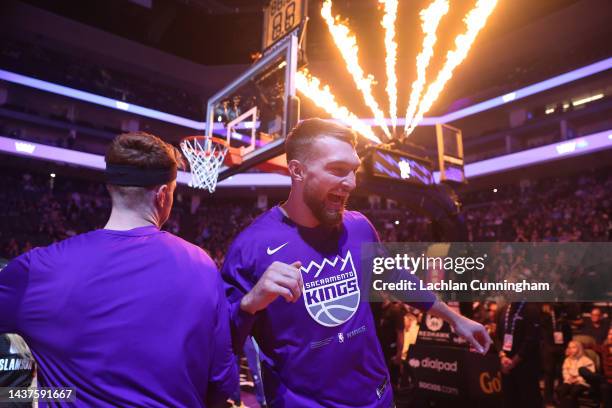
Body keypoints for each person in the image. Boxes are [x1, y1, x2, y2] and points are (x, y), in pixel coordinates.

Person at [221, 118, 492, 407]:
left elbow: (392, 276)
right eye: (338, 170)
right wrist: (250, 304)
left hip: (376, 398)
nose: (350, 183)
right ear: (297, 171)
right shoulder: (249, 247)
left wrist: (455, 318)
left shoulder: (359, 227)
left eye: (353, 171)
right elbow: (222, 343)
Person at [0, 132, 236, 406]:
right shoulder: (202, 266)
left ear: (111, 188)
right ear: (162, 196)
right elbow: (221, 382)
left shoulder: (38, 269)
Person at [496, 301, 543, 408]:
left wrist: (514, 361)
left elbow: (531, 340)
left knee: (529, 400)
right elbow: (498, 337)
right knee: (509, 400)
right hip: (506, 364)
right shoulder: (502, 309)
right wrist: (502, 356)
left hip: (526, 366)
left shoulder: (531, 309)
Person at [557, 340, 595, 408]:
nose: (571, 349)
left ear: (579, 349)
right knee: (561, 390)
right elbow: (565, 371)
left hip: (582, 382)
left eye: (574, 347)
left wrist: (578, 379)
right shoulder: (567, 360)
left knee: (574, 391)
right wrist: (568, 378)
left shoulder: (586, 360)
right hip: (570, 381)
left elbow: (590, 374)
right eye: (569, 347)